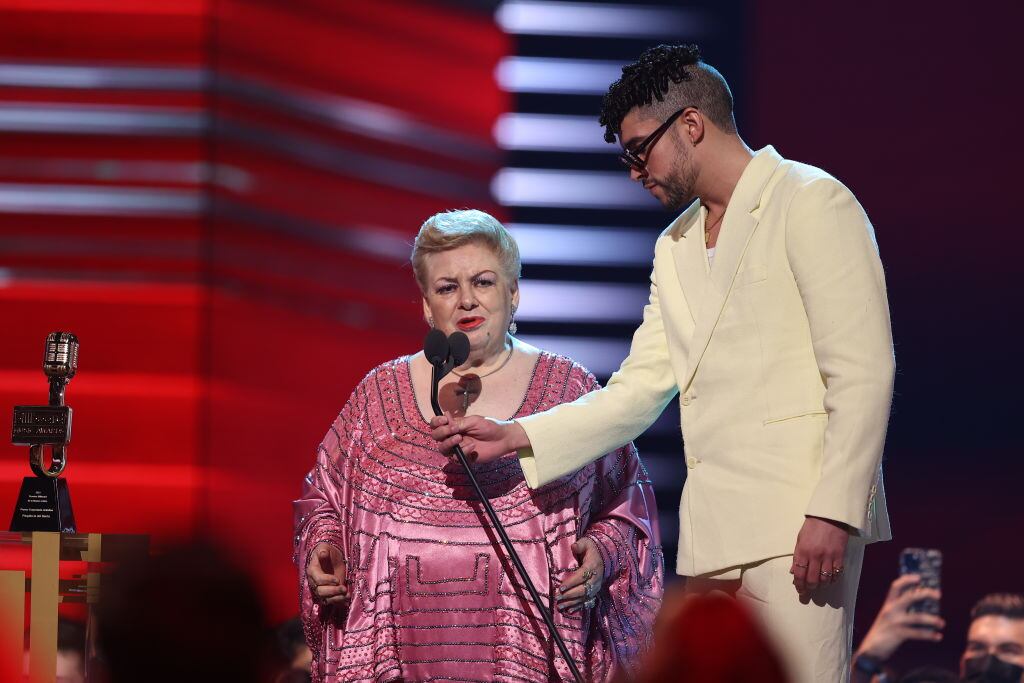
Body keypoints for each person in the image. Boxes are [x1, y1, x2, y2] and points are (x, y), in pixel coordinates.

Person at [431, 44, 895, 682]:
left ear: (692, 125)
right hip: (714, 533)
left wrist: (836, 510)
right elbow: (638, 389)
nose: (632, 171)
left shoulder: (810, 200)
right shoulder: (674, 247)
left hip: (800, 526)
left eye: (638, 149)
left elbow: (862, 371)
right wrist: (517, 436)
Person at [294, 209, 663, 682]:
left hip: (528, 655)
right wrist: (324, 549)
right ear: (427, 305)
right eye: (447, 287)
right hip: (399, 657)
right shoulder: (376, 395)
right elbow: (322, 496)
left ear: (513, 294)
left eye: (484, 282)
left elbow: (627, 503)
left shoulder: (570, 388)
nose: (467, 299)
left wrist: (603, 553)